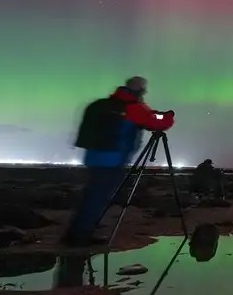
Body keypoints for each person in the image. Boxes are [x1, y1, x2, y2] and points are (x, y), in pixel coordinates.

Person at [64, 76, 174, 246]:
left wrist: (155, 115)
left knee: (92, 195)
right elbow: (154, 122)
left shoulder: (103, 105)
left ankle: (77, 232)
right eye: (143, 89)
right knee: (97, 198)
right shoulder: (132, 107)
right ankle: (78, 237)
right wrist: (168, 116)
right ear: (139, 90)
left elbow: (148, 116)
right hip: (113, 159)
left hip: (94, 157)